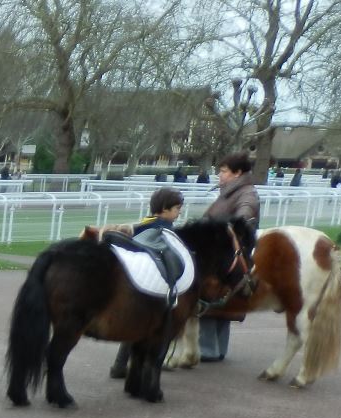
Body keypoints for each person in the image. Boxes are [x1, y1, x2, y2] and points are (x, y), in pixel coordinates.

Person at [108, 187, 185, 378]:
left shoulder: (143, 224)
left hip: (138, 280)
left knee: (134, 326)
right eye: (177, 208)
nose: (179, 212)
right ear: (165, 209)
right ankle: (153, 362)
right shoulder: (163, 229)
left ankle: (120, 365)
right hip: (153, 285)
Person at [199, 151, 260, 362]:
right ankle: (215, 348)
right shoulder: (231, 192)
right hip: (225, 252)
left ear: (237, 173)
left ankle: (207, 349)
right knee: (219, 302)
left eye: (224, 171)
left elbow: (245, 214)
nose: (220, 175)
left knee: (209, 296)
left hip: (228, 255)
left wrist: (225, 230)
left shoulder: (247, 193)